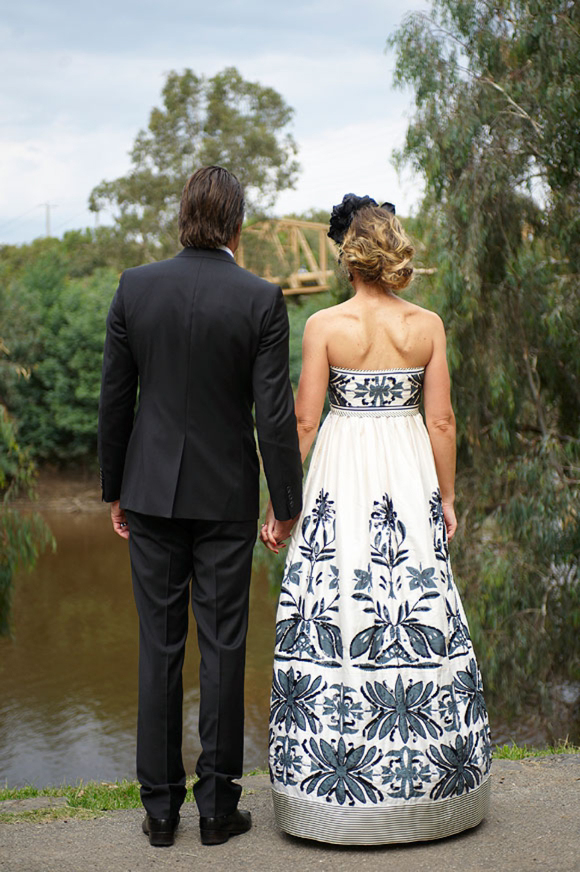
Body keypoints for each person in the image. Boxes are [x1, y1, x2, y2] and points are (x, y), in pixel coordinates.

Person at [262, 194, 491, 845]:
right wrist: (444, 499)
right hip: (405, 470)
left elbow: (304, 422)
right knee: (414, 605)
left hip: (343, 471)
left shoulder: (324, 326)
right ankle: (431, 789)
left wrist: (280, 508)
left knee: (338, 603)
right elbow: (441, 420)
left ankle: (329, 791)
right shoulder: (427, 325)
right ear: (393, 250)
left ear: (348, 255)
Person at [98, 166, 302, 848]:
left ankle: (160, 814)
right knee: (222, 649)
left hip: (151, 492)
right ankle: (218, 810)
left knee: (157, 650)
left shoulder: (135, 287)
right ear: (237, 227)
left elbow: (114, 401)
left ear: (183, 216)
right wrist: (286, 503)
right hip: (225, 498)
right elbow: (273, 416)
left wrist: (115, 490)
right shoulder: (261, 298)